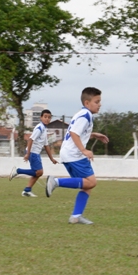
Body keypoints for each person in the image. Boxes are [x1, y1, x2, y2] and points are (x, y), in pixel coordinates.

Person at [44, 87, 109, 224]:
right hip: (75, 154)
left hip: (68, 153)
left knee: (87, 186)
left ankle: (76, 216)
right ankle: (55, 182)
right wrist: (84, 150)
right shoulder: (86, 116)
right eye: (97, 102)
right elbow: (74, 133)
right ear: (87, 103)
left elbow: (75, 131)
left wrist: (93, 134)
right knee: (91, 182)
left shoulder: (82, 114)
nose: (100, 104)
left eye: (100, 101)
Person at [8, 109, 58, 197]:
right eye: (45, 117)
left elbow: (46, 146)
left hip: (35, 153)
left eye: (49, 117)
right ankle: (18, 171)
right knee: (39, 172)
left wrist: (52, 159)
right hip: (32, 152)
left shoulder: (44, 129)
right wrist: (28, 153)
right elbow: (31, 139)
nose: (47, 119)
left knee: (38, 173)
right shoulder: (40, 128)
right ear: (41, 118)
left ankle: (27, 190)